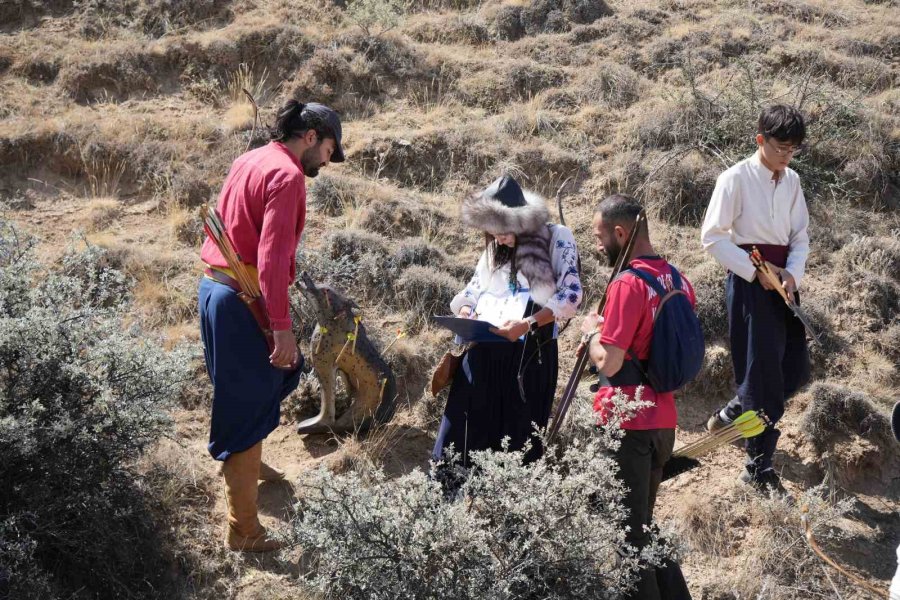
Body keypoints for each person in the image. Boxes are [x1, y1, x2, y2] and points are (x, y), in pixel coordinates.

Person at [198, 100, 345, 552]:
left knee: (278, 376)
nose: (327, 161)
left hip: (215, 291)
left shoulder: (250, 157)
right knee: (247, 400)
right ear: (311, 137)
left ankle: (250, 457)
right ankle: (244, 530)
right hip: (242, 300)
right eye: (328, 150)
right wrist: (281, 326)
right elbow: (272, 257)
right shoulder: (287, 175)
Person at [581, 194, 694, 600]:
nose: (596, 246)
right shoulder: (678, 279)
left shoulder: (627, 284)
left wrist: (591, 331)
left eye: (598, 236)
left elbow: (609, 363)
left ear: (620, 233)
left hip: (626, 423)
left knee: (626, 537)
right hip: (663, 419)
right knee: (642, 525)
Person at [432, 175, 582, 468]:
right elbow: (471, 293)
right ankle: (447, 505)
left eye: (503, 229)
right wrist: (465, 313)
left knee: (517, 450)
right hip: (482, 356)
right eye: (492, 230)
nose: (497, 236)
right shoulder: (493, 251)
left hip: (529, 361)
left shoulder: (556, 237)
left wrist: (527, 324)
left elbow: (571, 294)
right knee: (457, 441)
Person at [701, 104, 811, 493]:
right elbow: (712, 237)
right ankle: (757, 467)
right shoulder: (735, 178)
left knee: (793, 366)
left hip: (784, 285)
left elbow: (800, 236)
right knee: (762, 376)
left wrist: (790, 274)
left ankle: (734, 411)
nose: (786, 155)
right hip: (750, 286)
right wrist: (754, 273)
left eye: (793, 149)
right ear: (760, 140)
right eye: (781, 146)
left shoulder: (792, 181)